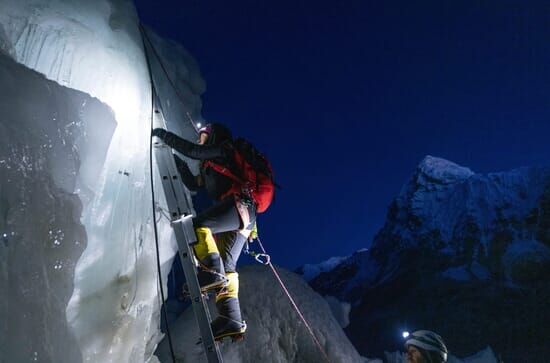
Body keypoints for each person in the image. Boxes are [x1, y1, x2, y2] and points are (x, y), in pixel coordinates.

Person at [152, 123, 258, 341]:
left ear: (213, 137)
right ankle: (231, 318)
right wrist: (176, 161)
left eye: (203, 136)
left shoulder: (225, 149)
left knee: (197, 225)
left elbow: (193, 151)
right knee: (228, 267)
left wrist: (163, 135)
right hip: (243, 216)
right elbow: (193, 184)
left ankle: (212, 271)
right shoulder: (210, 166)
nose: (200, 139)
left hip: (240, 206)